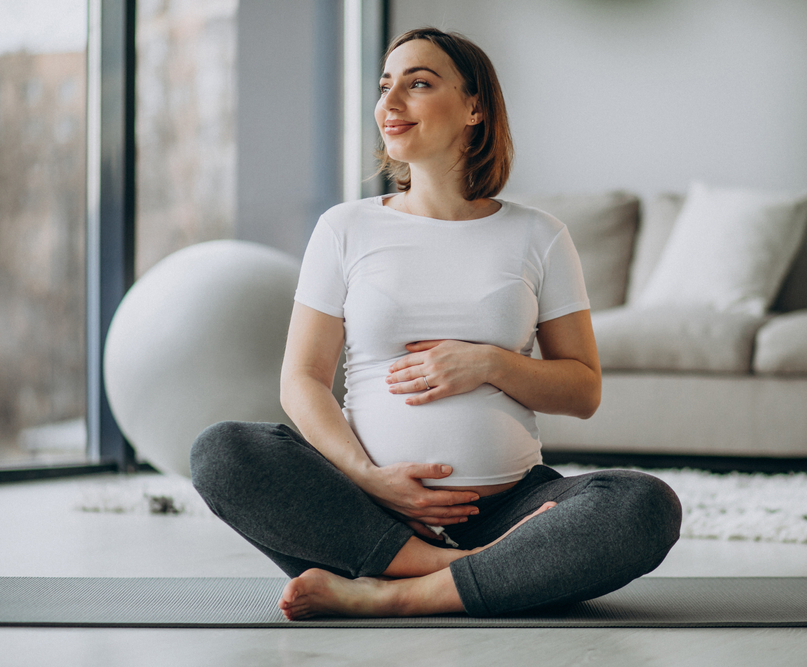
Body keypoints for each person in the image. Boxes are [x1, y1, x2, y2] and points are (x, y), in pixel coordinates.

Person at [190, 27, 681, 619]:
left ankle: (392, 593)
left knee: (644, 504)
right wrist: (370, 478)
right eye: (384, 85)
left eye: (418, 84)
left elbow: (583, 390)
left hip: (510, 514)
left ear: (475, 107)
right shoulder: (344, 228)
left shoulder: (539, 235)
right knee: (220, 451)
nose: (389, 103)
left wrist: (490, 363)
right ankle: (460, 573)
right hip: (365, 516)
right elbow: (302, 380)